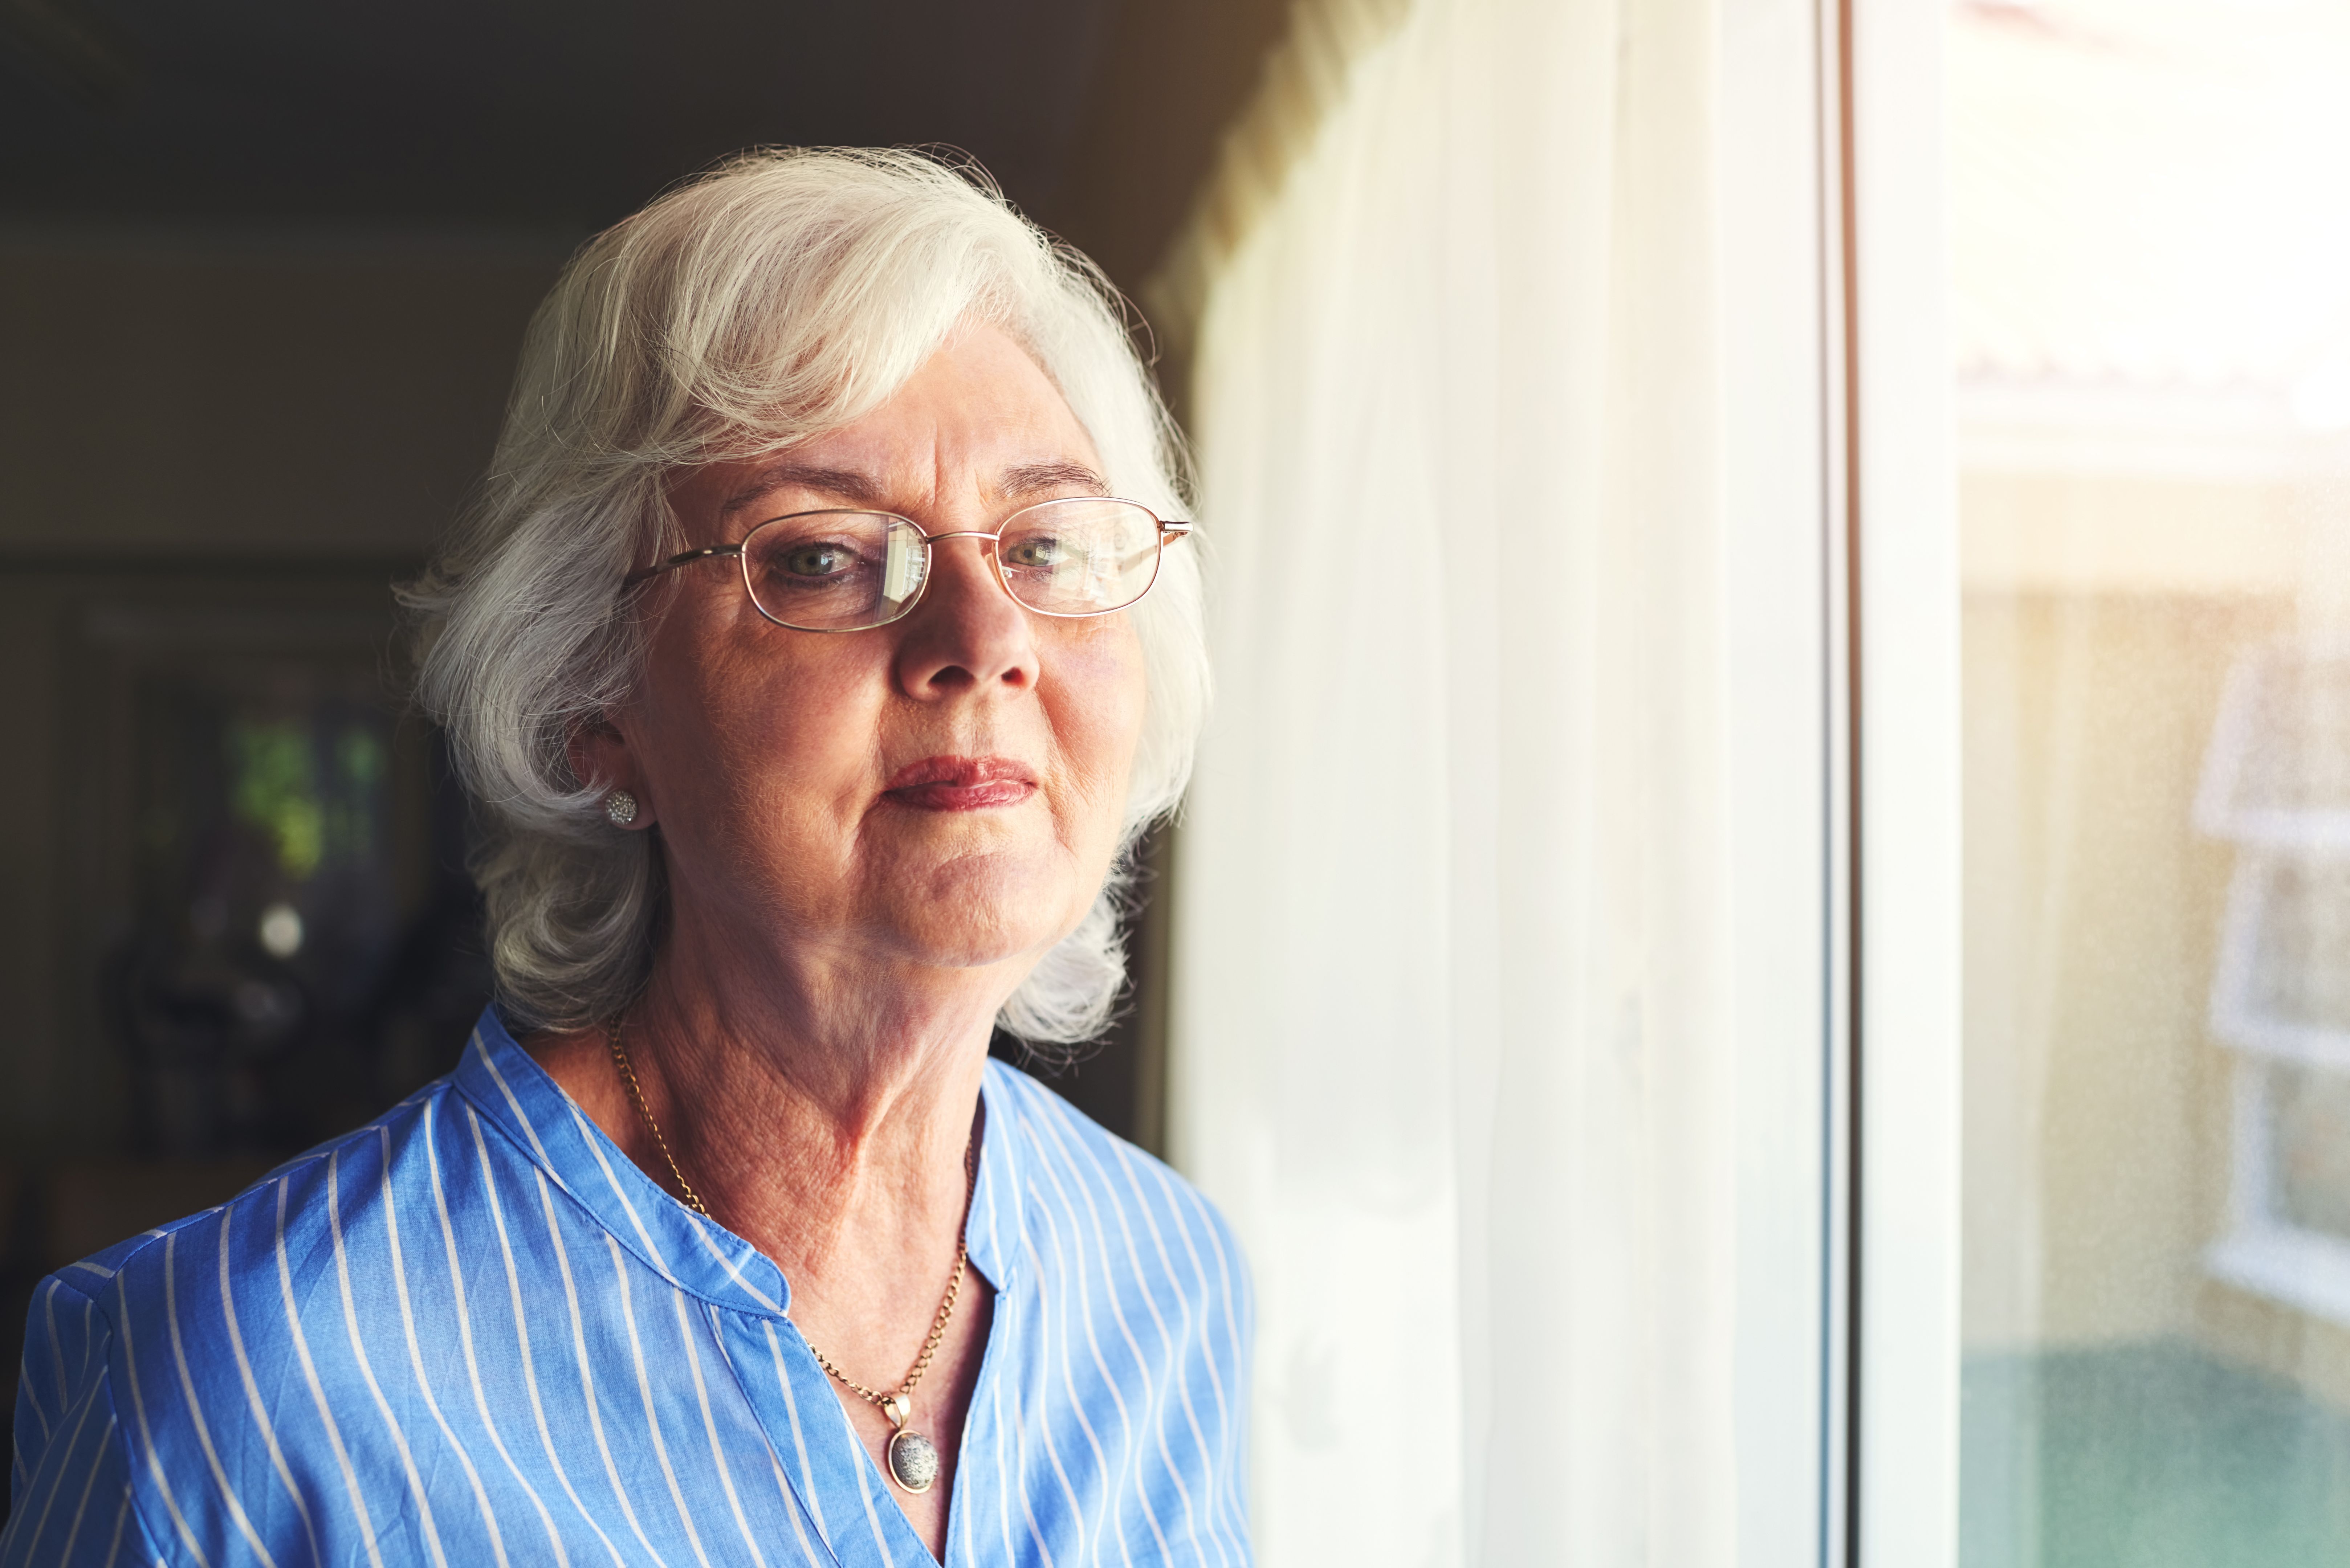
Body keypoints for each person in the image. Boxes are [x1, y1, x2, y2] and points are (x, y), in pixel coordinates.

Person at [3, 148, 1249, 1568]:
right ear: (591, 700)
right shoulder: (246, 1379)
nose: (984, 636)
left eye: (1044, 544)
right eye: (822, 556)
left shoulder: (1167, 1276)